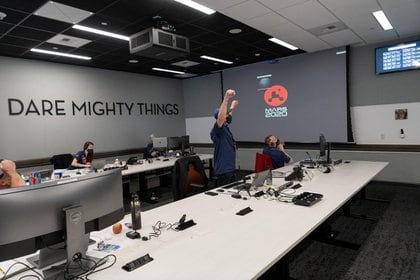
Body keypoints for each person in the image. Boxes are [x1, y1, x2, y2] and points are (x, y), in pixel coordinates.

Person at [210, 89, 239, 186]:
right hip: (223, 170)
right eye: (225, 115)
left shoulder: (225, 127)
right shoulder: (217, 130)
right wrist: (226, 98)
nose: (228, 116)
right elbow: (222, 117)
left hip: (230, 168)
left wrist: (232, 107)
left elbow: (226, 115)